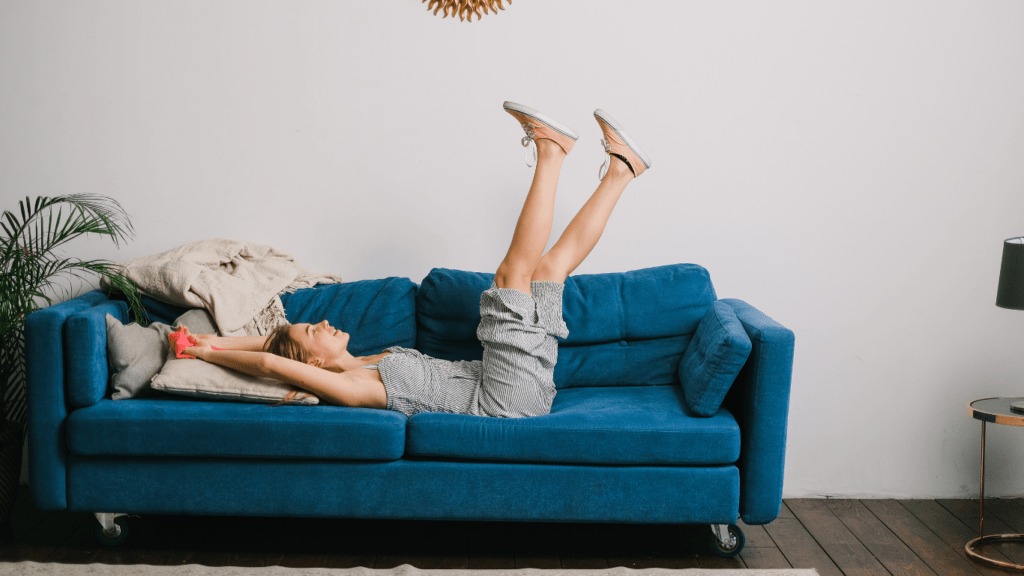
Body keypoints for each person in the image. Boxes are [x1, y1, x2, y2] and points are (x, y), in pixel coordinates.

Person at [182, 101, 651, 417]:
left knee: (548, 270)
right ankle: (551, 150)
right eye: (312, 332)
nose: (322, 322)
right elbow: (272, 364)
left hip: (512, 381)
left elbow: (269, 346)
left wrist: (202, 344)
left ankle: (622, 170)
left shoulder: (365, 359)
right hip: (505, 399)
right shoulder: (354, 388)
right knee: (512, 275)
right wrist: (204, 353)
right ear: (315, 365)